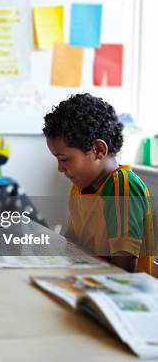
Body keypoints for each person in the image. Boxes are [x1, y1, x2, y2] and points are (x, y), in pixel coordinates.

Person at [43, 93, 154, 273]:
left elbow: (123, 270)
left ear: (98, 150)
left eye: (64, 159)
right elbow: (71, 244)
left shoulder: (122, 188)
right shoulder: (80, 189)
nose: (60, 169)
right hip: (83, 280)